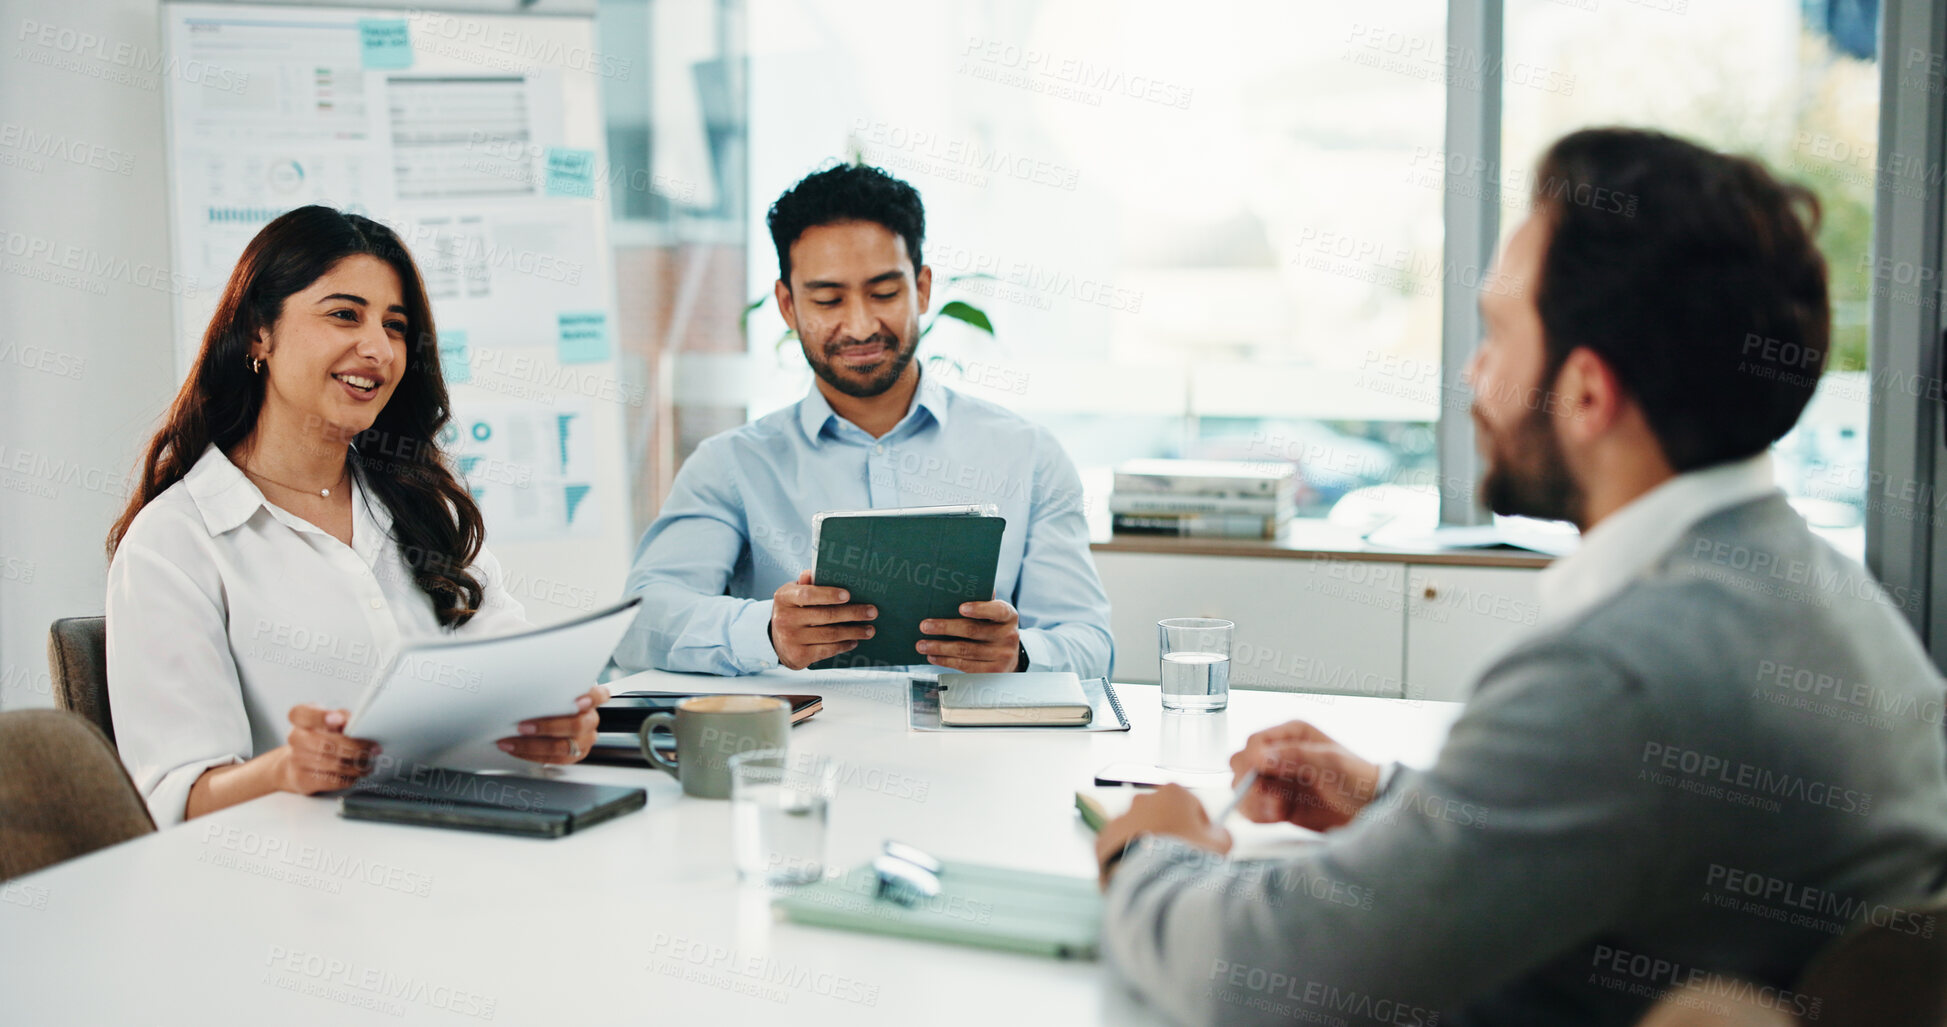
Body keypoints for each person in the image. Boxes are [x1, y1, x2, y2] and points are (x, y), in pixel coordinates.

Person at [1093, 128, 1947, 1026]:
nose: (1472, 372)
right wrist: (1391, 800)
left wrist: (1152, 859)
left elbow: (1269, 978)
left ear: (1584, 394)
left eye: (1497, 333)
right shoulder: (1818, 590)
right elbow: (1625, 825)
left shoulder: (1621, 673)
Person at [105, 205, 606, 827]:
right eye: (345, 314)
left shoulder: (421, 505)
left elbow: (506, 672)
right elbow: (170, 800)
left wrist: (549, 728)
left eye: (395, 326)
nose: (377, 349)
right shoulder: (176, 541)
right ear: (260, 332)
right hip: (280, 891)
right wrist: (286, 769)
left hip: (461, 854)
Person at [610, 163, 1112, 677]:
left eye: (884, 293)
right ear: (787, 305)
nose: (859, 325)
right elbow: (639, 625)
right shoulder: (731, 465)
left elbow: (1090, 644)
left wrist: (1020, 653)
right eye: (828, 299)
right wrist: (767, 631)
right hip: (804, 752)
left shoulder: (1028, 456)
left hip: (975, 747)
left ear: (921, 289)